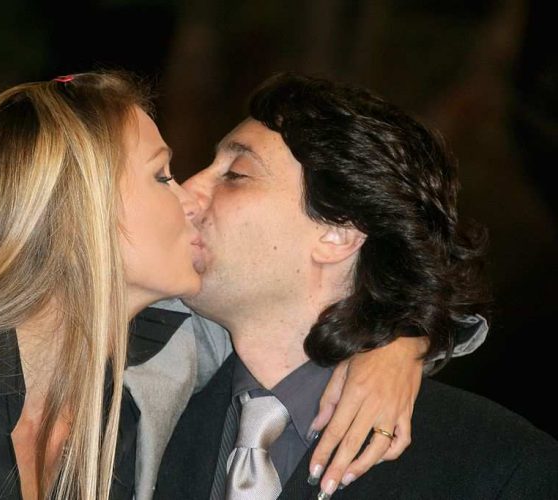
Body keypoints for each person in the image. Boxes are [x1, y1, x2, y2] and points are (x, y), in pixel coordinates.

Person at [0, 70, 486, 500]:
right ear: (79, 207)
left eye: (230, 173)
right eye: (162, 175)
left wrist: (399, 345)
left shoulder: (173, 354)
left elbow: (330, 314)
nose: (189, 193)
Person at [154, 73, 558, 499]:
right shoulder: (139, 417)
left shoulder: (500, 468)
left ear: (339, 234)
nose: (187, 191)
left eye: (235, 174)